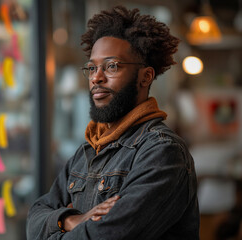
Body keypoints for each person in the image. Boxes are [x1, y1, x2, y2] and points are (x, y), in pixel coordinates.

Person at [26, 5, 200, 240]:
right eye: (92, 67)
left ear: (145, 76)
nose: (96, 77)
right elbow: (34, 220)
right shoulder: (88, 150)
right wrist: (71, 220)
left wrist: (55, 230)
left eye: (112, 66)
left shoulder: (162, 151)